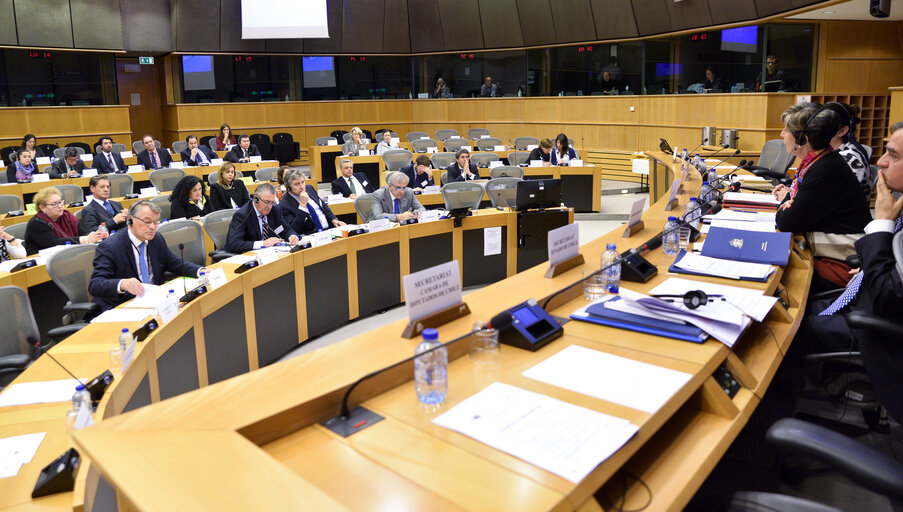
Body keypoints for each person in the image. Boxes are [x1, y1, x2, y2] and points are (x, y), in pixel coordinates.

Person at [793, 121, 903, 421]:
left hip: (877, 329)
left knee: (782, 330)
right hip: (863, 301)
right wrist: (870, 267)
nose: (879, 161)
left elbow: (889, 298)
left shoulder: (889, 210)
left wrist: (882, 222)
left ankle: (770, 432)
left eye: (892, 155)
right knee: (788, 305)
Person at [88, 200, 206, 312]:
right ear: (130, 220)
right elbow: (95, 284)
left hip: (155, 302)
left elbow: (174, 263)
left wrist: (201, 271)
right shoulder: (110, 247)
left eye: (156, 222)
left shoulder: (156, 238)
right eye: (147, 222)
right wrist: (122, 284)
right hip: (124, 306)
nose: (152, 227)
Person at [773, 103, 871, 234]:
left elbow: (787, 223)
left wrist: (785, 206)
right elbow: (791, 204)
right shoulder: (818, 160)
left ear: (802, 140)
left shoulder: (825, 168)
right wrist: (788, 204)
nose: (781, 134)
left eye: (786, 130)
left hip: (843, 248)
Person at [24, 187, 103, 254]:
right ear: (42, 208)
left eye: (60, 202)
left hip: (70, 255)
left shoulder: (67, 217)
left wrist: (93, 236)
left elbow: (83, 233)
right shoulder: (36, 224)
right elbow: (55, 243)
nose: (60, 206)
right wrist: (84, 239)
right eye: (54, 204)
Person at [225, 183, 299, 253]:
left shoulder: (275, 210)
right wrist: (262, 243)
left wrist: (292, 236)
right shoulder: (242, 215)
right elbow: (233, 244)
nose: (269, 206)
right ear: (256, 198)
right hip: (250, 256)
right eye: (266, 202)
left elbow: (285, 229)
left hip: (271, 254)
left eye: (272, 202)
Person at [823, 102, 875, 200]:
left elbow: (833, 199)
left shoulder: (850, 159)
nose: (818, 130)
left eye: (824, 126)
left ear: (842, 131)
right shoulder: (832, 152)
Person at [279, 169, 345, 235]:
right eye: (297, 184)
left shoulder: (309, 188)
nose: (302, 187)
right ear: (288, 187)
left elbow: (322, 204)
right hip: (312, 235)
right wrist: (302, 206)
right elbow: (295, 229)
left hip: (330, 229)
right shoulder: (284, 205)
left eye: (303, 182)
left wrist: (333, 219)